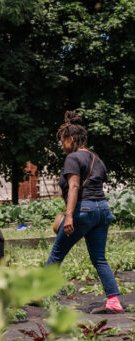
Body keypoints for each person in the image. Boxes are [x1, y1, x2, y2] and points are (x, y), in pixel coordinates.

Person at [47, 111, 122, 314]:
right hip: (103, 210)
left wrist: (69, 215)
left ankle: (37, 294)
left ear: (71, 139)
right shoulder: (97, 159)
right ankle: (114, 301)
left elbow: (74, 187)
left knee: (56, 254)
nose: (62, 146)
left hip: (83, 210)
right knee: (99, 258)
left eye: (62, 142)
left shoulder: (72, 158)